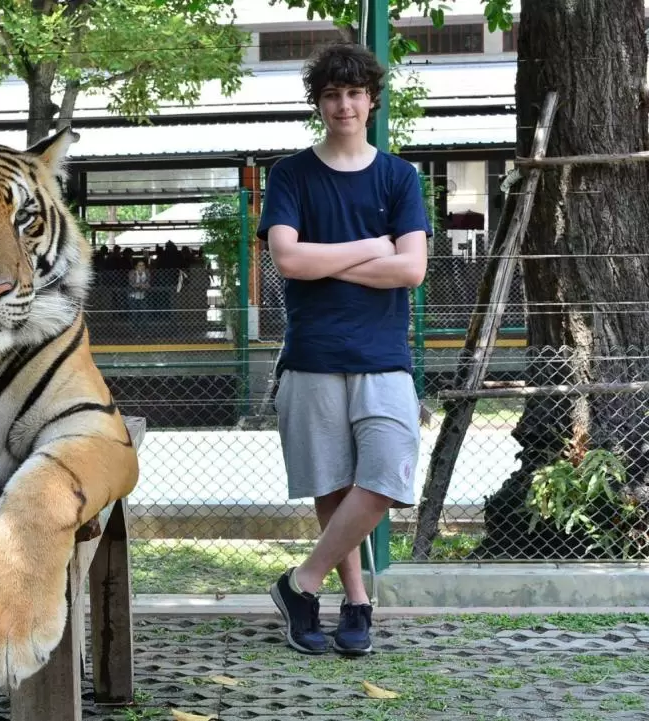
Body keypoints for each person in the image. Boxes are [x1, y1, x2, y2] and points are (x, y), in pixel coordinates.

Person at [257, 41, 431, 657]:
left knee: (386, 475)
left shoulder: (399, 177)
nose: (344, 104)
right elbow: (286, 259)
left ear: (372, 101)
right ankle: (355, 602)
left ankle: (300, 582)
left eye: (355, 93)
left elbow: (411, 271)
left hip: (384, 357)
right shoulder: (291, 175)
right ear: (319, 103)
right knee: (330, 485)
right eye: (332, 94)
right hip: (312, 355)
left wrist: (325, 262)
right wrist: (373, 247)